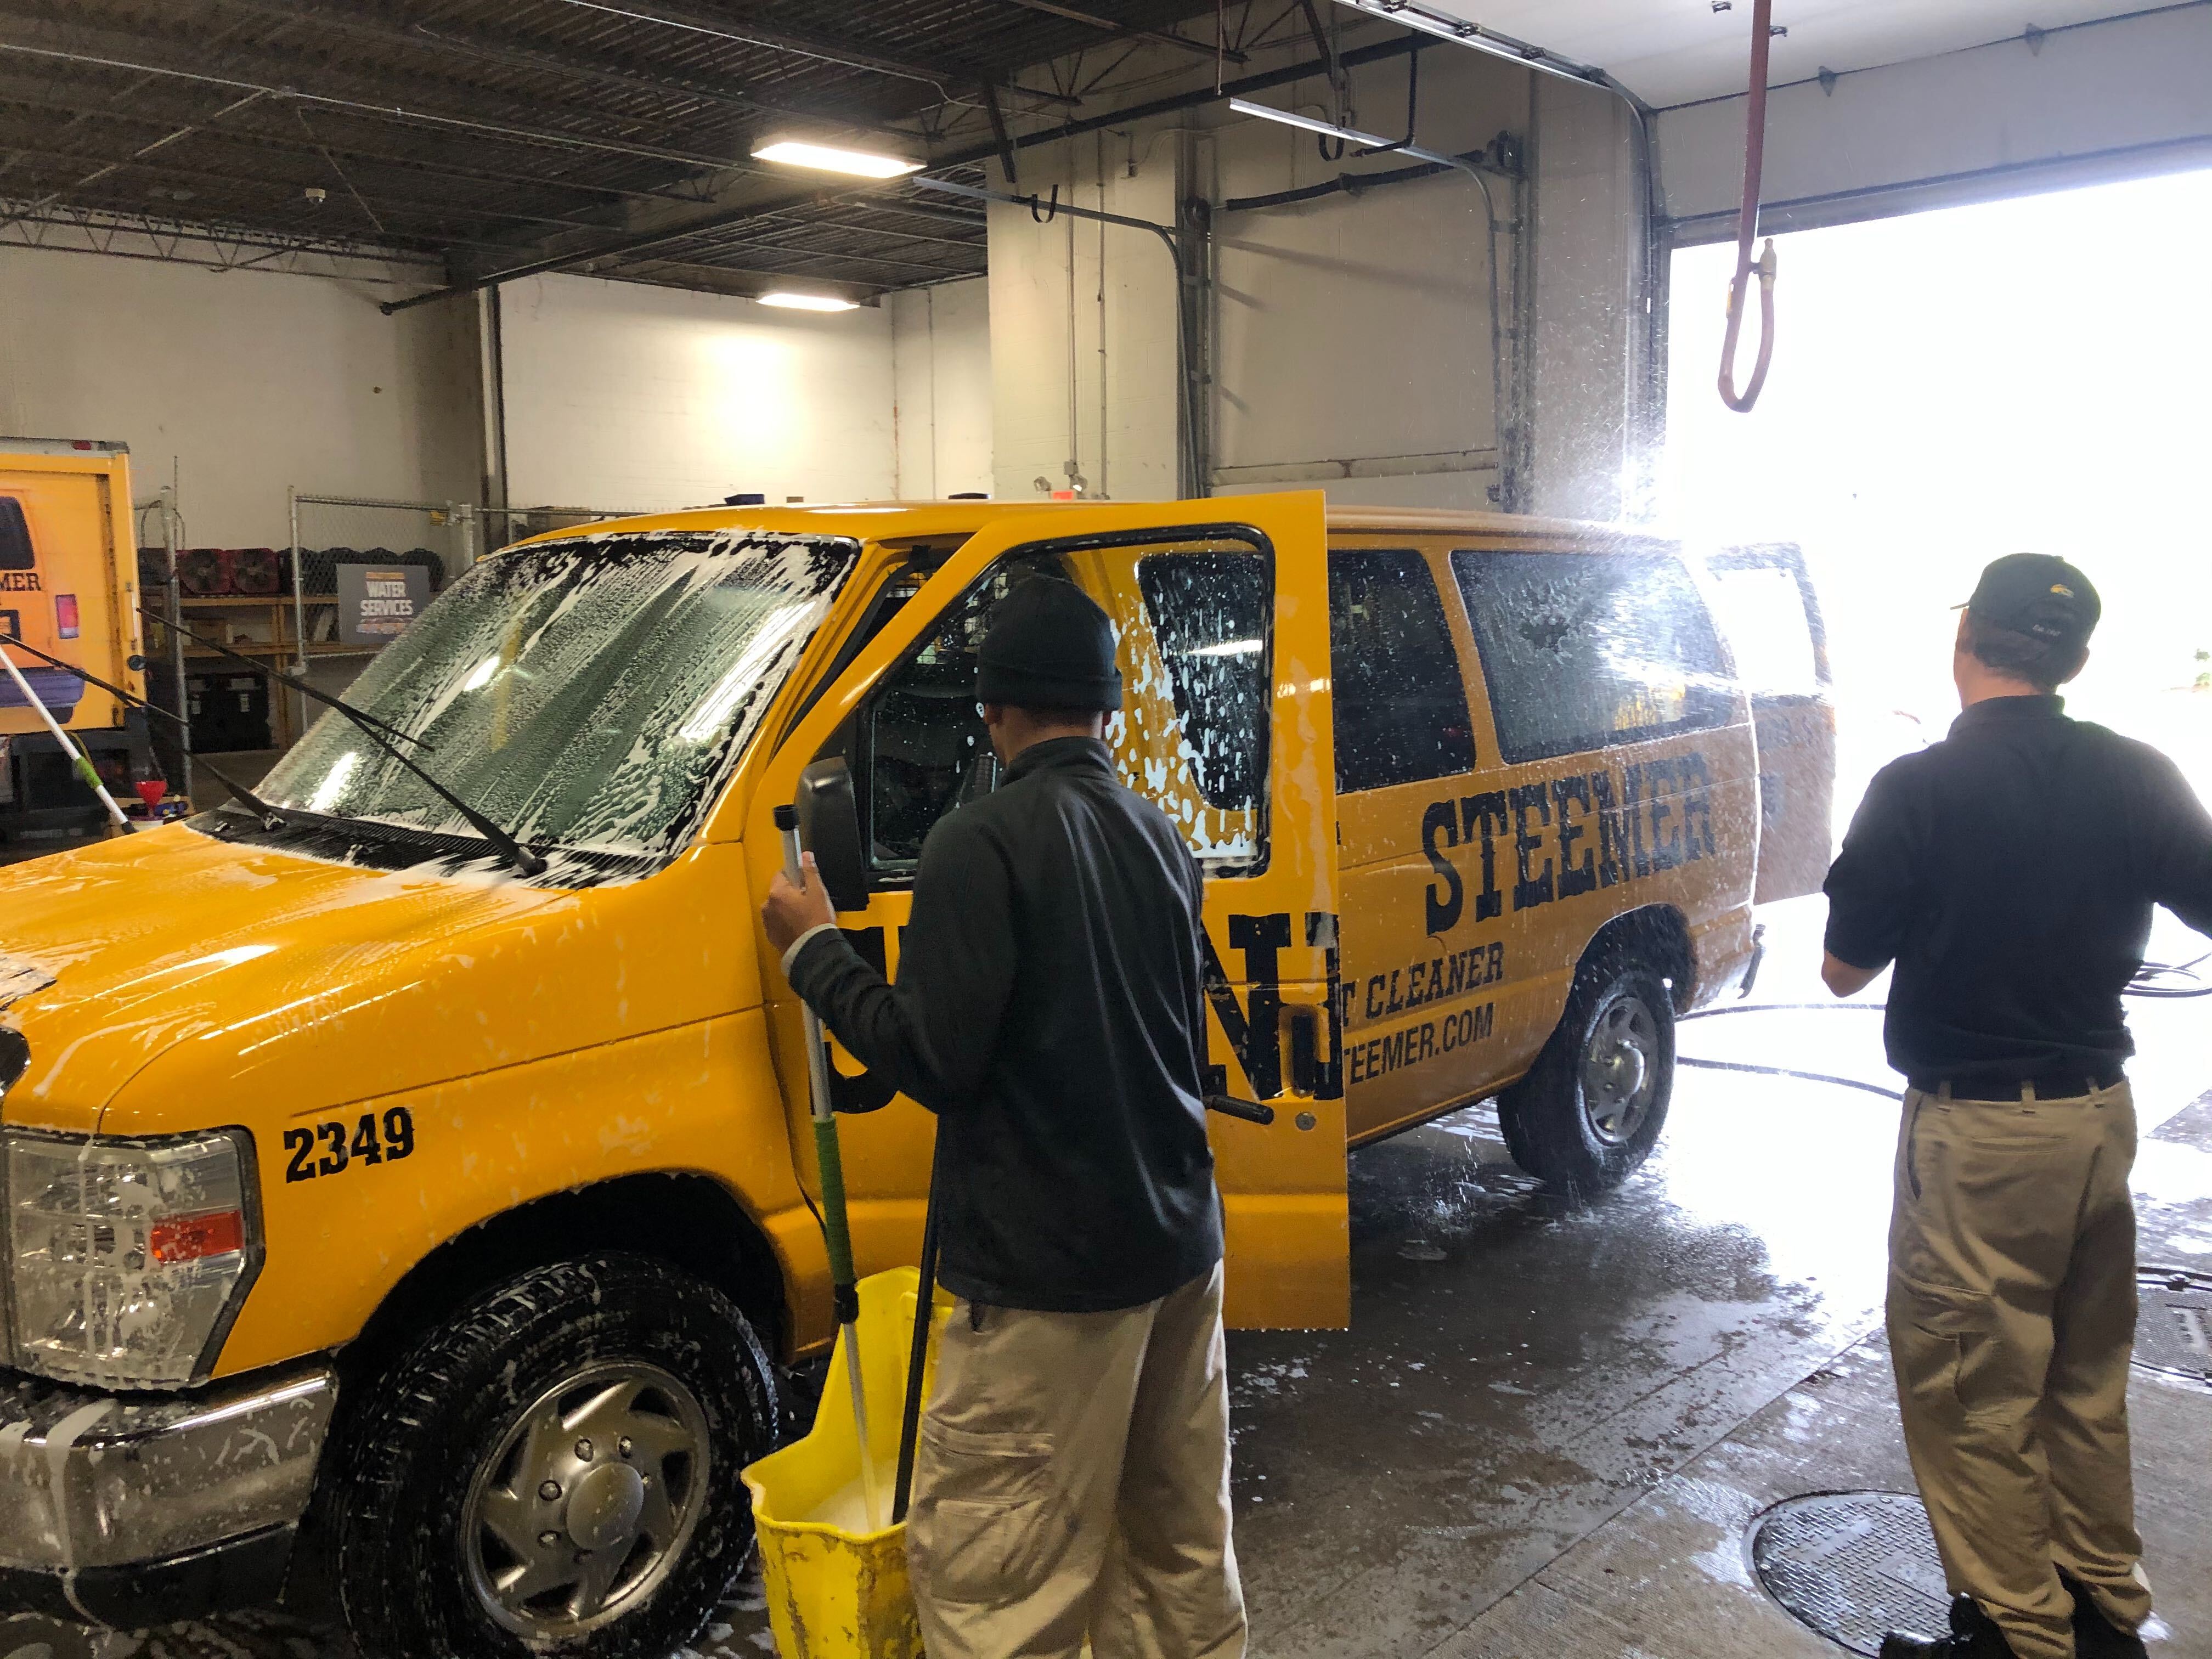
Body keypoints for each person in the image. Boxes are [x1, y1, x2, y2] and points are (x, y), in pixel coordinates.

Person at [761, 574, 1246, 1659]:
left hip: (1047, 1281)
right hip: (1178, 1251)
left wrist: (813, 949)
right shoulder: (1161, 836)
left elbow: (936, 1058)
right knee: (1176, 1558)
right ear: (1109, 710)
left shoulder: (978, 844)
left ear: (992, 710)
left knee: (1003, 1592)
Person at [1820, 554, 2212, 1659]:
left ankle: (2018, 1634)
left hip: (1983, 1141)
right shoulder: (2138, 773)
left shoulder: (1918, 787)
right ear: (2077, 661)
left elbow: (1845, 966)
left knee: (1972, 1393)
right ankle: (2102, 1606)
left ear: (1965, 644)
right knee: (2083, 1377)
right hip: (2097, 1120)